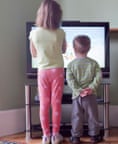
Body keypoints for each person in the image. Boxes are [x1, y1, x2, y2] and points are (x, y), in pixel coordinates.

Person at [28, 0, 66, 144]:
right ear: (58, 16)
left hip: (43, 71)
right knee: (56, 103)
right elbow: (63, 50)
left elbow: (34, 54)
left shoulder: (34, 34)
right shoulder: (61, 32)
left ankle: (45, 136)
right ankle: (55, 135)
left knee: (44, 103)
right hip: (58, 71)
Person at [66, 35, 103, 144]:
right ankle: (94, 136)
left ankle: (75, 137)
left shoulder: (70, 65)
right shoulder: (94, 63)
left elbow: (70, 80)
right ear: (89, 48)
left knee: (76, 116)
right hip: (90, 95)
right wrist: (91, 88)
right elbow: (98, 77)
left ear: (73, 49)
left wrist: (78, 90)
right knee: (92, 116)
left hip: (77, 96)